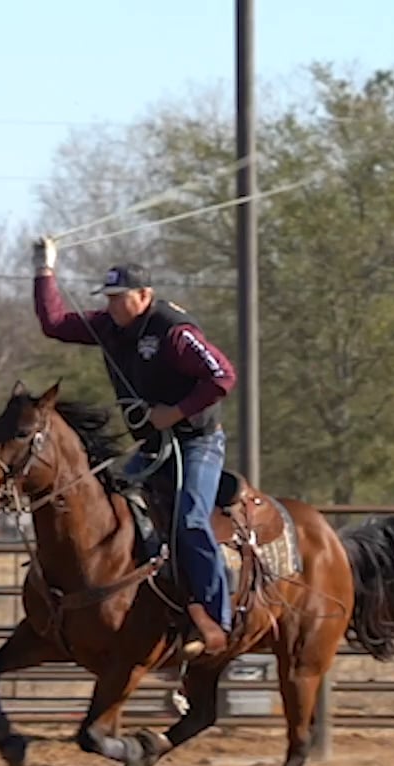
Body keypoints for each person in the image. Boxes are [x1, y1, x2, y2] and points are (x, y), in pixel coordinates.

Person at [31, 236, 237, 658]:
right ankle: (148, 606)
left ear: (145, 295)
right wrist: (44, 270)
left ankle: (218, 621)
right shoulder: (108, 327)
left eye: (119, 298)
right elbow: (53, 322)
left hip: (196, 443)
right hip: (150, 446)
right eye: (108, 299)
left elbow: (222, 377)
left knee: (191, 520)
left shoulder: (174, 332)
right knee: (114, 508)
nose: (112, 307)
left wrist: (176, 412)